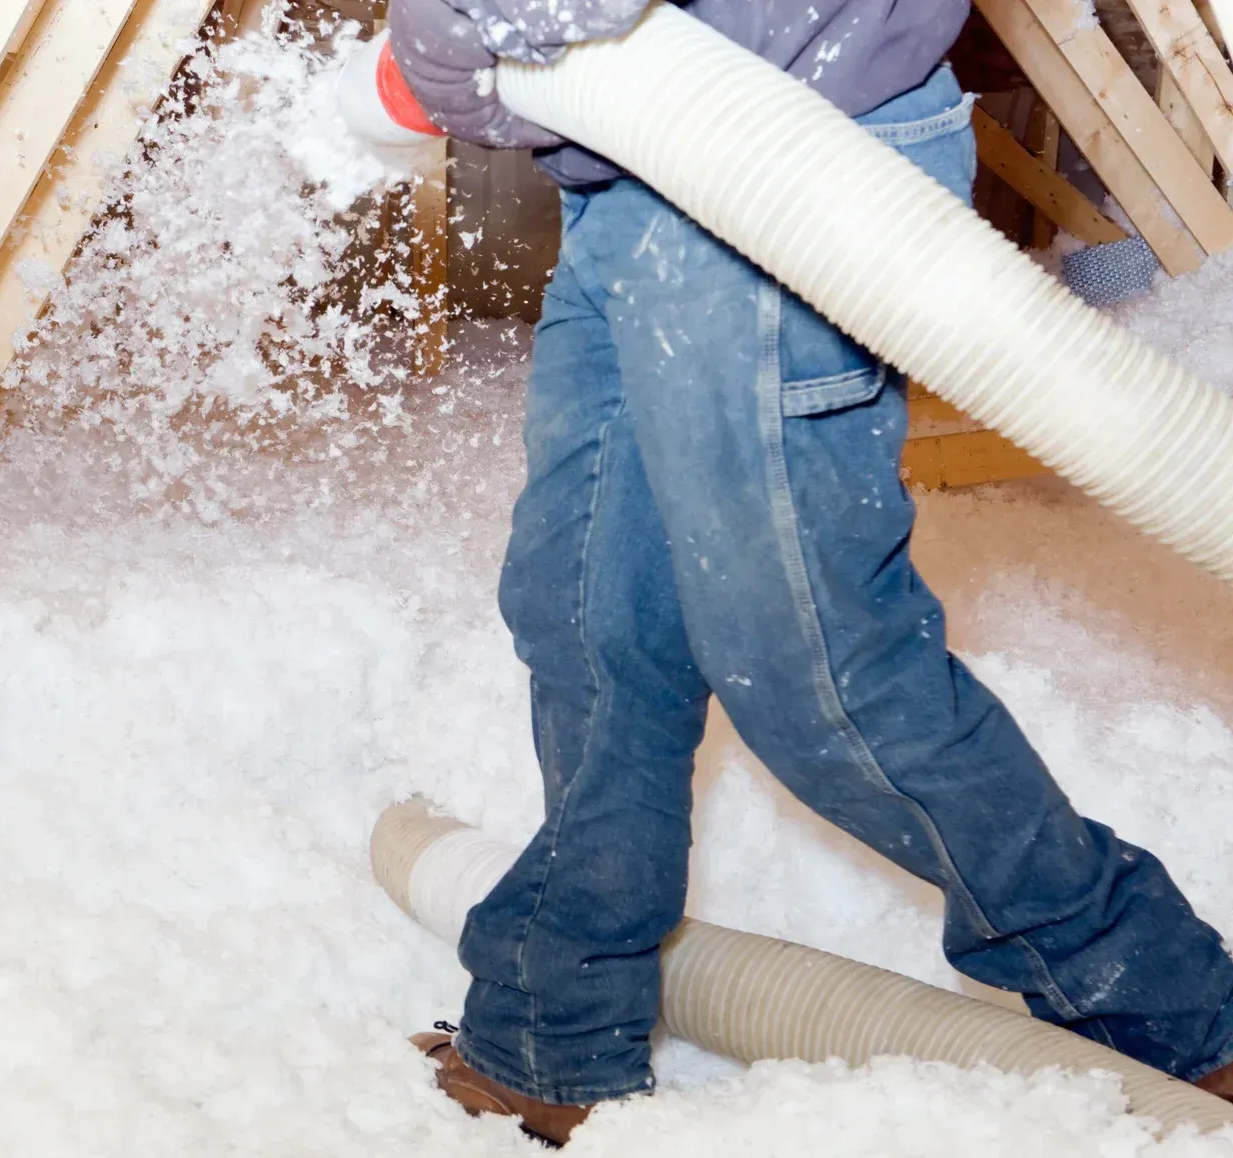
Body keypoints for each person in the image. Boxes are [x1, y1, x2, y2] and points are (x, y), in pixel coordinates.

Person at [383, 0, 1233, 1145]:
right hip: (638, 159)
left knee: (818, 673)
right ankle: (550, 1026)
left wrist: (451, 35)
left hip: (788, 155)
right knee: (590, 614)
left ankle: (1178, 1015)